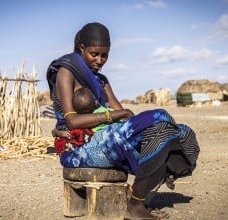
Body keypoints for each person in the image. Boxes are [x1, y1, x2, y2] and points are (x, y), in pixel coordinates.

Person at [46, 22, 200, 219]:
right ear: (81, 48)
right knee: (160, 116)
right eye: (95, 54)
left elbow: (126, 117)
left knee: (179, 132)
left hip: (108, 139)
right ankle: (136, 205)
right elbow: (73, 122)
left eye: (105, 55)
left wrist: (135, 125)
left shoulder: (102, 81)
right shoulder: (66, 72)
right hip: (79, 147)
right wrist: (113, 116)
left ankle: (136, 202)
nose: (100, 60)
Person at [51, 87, 116, 153]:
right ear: (96, 102)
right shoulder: (105, 111)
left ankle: (57, 132)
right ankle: (57, 132)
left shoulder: (80, 121)